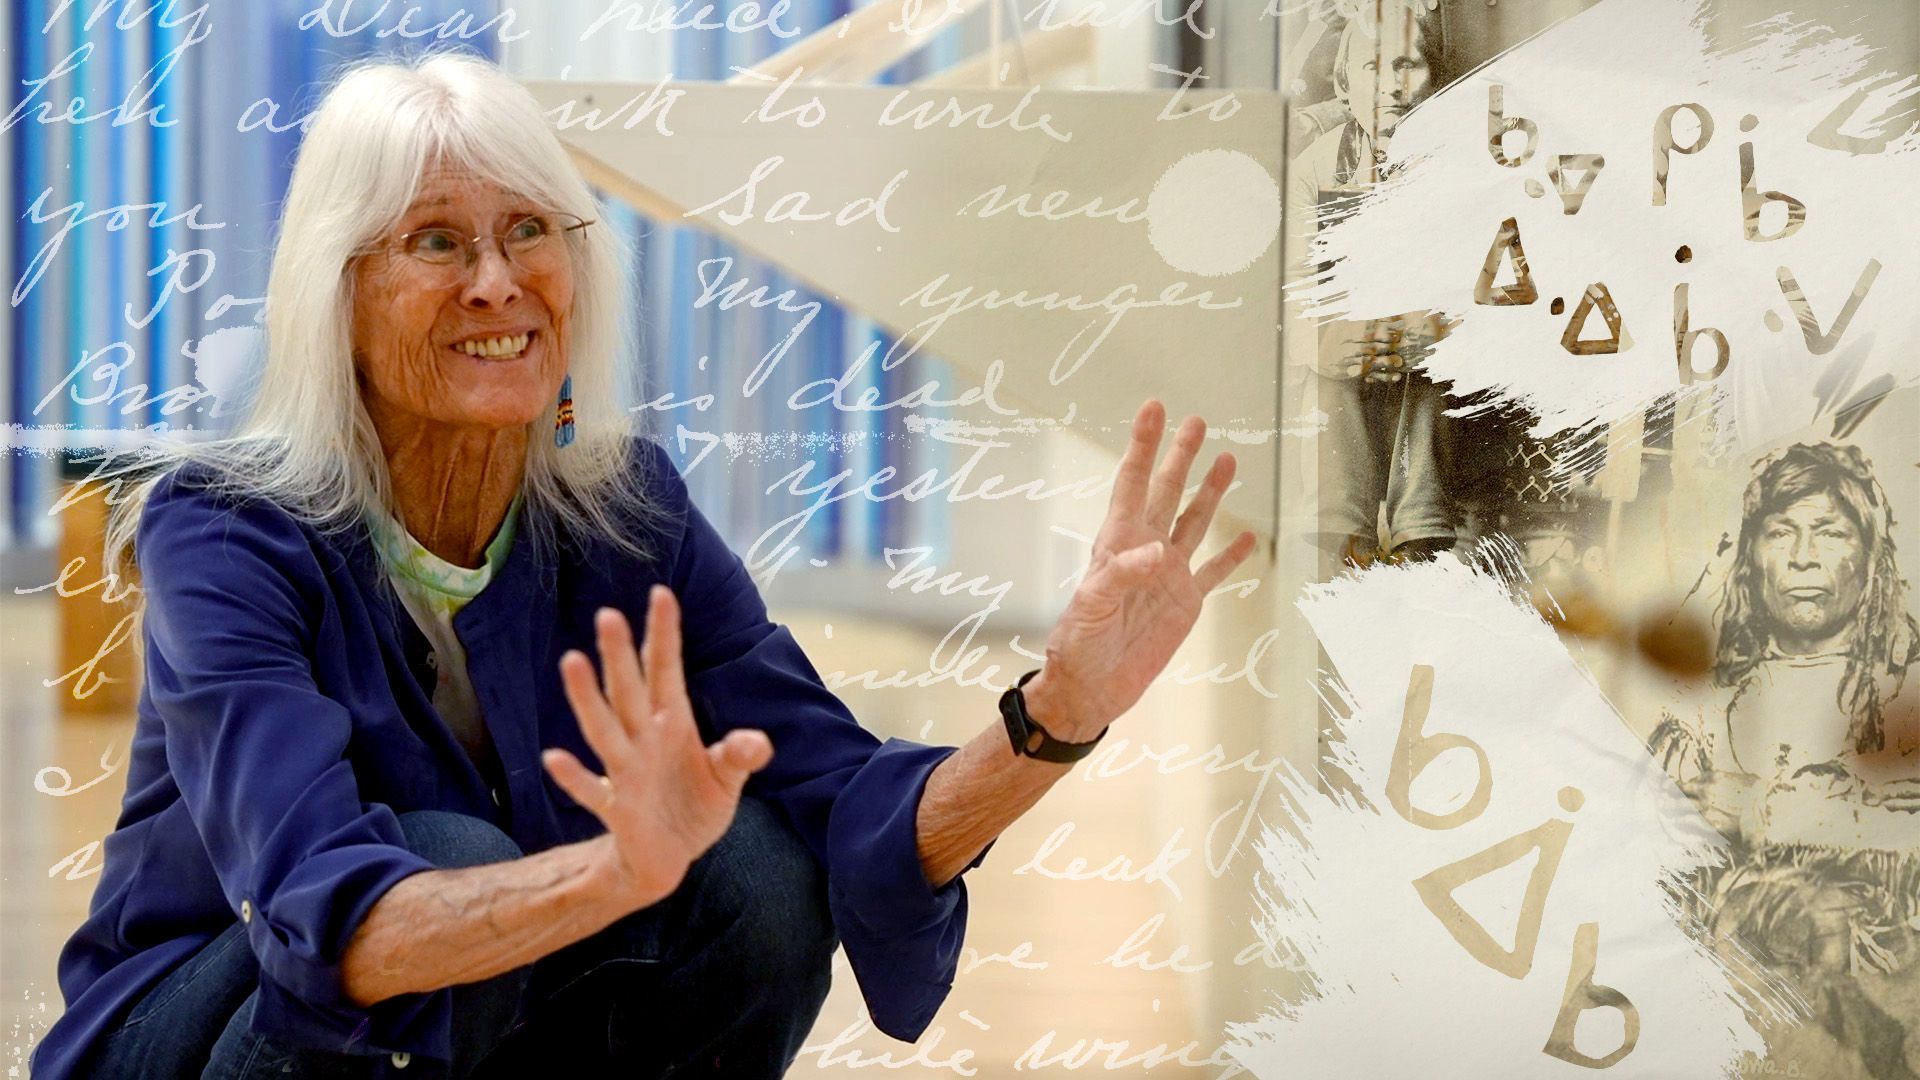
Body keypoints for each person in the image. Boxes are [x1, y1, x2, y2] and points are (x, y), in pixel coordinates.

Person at [32, 54, 1257, 1080]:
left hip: (480, 1018)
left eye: (528, 232)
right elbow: (326, 916)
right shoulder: (226, 529)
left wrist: (1058, 713)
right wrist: (612, 873)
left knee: (762, 877)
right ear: (340, 295)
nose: (498, 282)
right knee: (451, 857)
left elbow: (850, 803)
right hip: (203, 1034)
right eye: (437, 242)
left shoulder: (628, 510)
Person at [1650, 442, 1918, 1080]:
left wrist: (1777, 814)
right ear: (1752, 556)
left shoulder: (1908, 692)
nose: (1802, 557)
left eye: (1829, 532)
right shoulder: (1702, 703)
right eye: (1782, 533)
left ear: (1870, 557)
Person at [1287, 4, 1454, 566]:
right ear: (1344, 83)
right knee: (1325, 374)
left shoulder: (1464, 166)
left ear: (1436, 79)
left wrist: (1442, 328)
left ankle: (1421, 533)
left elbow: (1498, 285)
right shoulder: (1313, 170)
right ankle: (1341, 537)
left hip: (1425, 360)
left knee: (1434, 378)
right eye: (1372, 69)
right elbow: (1288, 293)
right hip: (1349, 353)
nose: (1391, 88)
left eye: (1409, 66)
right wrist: (1322, 340)